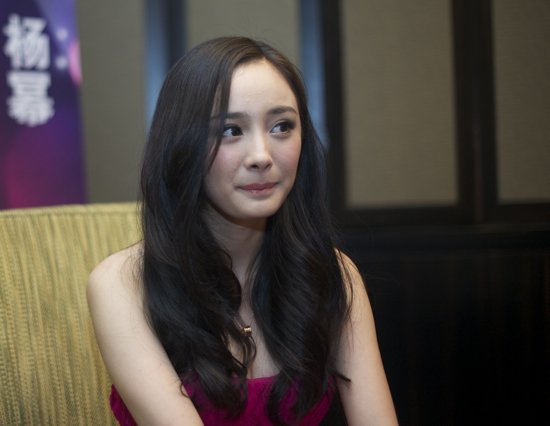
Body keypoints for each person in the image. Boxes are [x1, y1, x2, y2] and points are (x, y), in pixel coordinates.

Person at [87, 36, 398, 426]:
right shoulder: (123, 284)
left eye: (282, 126)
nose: (262, 157)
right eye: (231, 130)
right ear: (182, 145)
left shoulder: (333, 274)